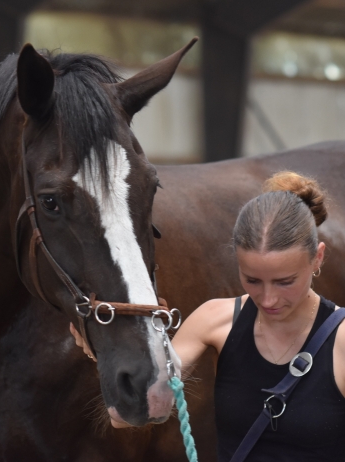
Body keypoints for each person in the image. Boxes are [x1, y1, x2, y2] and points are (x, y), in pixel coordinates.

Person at [70, 171, 345, 461]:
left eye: (285, 281)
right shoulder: (216, 319)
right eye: (252, 280)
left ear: (318, 257)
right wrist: (104, 353)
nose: (268, 299)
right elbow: (131, 414)